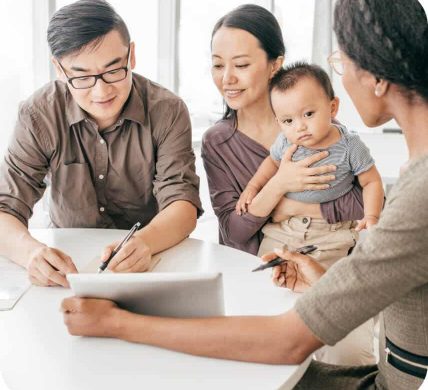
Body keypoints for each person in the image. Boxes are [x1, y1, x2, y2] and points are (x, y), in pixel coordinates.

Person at [62, 0, 428, 388]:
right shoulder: (413, 176)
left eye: (341, 63)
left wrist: (117, 322)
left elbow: (288, 342)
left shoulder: (414, 192)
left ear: (375, 76)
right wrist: (322, 283)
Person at [0, 0, 202, 287]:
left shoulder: (167, 110)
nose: (101, 91)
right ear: (59, 69)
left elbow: (182, 202)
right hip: (69, 265)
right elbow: (5, 208)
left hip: (151, 256)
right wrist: (30, 254)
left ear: (131, 55)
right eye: (81, 77)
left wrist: (145, 242)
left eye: (113, 70)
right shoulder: (38, 115)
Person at [201, 4, 366, 257]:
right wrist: (278, 185)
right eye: (218, 65)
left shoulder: (319, 127)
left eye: (241, 65)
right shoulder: (218, 141)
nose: (227, 79)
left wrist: (288, 207)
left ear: (275, 65)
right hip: (254, 276)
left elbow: (366, 203)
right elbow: (233, 231)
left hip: (325, 272)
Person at [237, 62, 384, 269]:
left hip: (330, 232)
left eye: (308, 114)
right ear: (279, 122)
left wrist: (371, 215)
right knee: (268, 275)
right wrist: (252, 187)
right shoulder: (286, 142)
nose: (300, 126)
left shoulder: (351, 145)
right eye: (288, 121)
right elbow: (271, 163)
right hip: (283, 228)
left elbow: (371, 182)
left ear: (332, 108)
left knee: (320, 285)